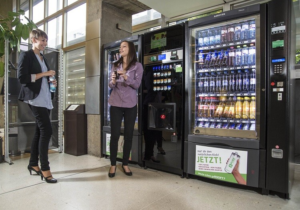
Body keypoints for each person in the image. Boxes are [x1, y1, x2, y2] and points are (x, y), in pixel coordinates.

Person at [17, 29, 57, 184]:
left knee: (40, 131)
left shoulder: (43, 57)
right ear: (33, 40)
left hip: (46, 98)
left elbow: (45, 78)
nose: (45, 43)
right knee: (47, 130)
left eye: (46, 40)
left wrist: (51, 81)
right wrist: (44, 74)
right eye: (42, 40)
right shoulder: (26, 55)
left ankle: (33, 164)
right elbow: (22, 78)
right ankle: (45, 169)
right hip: (35, 99)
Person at [108, 41, 143, 178]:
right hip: (115, 103)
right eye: (120, 47)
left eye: (124, 46)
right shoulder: (115, 65)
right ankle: (112, 164)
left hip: (130, 104)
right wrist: (113, 81)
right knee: (115, 135)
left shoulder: (137, 66)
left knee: (128, 135)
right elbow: (111, 85)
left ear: (130, 49)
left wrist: (126, 76)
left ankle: (125, 164)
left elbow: (136, 85)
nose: (121, 49)